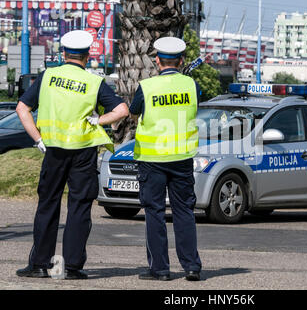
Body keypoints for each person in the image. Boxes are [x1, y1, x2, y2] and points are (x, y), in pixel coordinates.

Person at [15, 30, 129, 280]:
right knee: (79, 207)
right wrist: (101, 119)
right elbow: (122, 109)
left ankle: (39, 265)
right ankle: (72, 267)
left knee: (48, 205)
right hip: (83, 152)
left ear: (63, 54)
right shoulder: (94, 82)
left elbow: (22, 108)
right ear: (87, 56)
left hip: (53, 150)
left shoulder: (48, 76)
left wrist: (38, 138)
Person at [130, 37, 202, 281]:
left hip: (152, 159)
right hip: (182, 158)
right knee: (184, 211)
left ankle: (160, 269)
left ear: (157, 60)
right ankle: (191, 266)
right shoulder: (191, 85)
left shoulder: (147, 87)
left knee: (155, 211)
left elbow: (133, 111)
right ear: (181, 61)